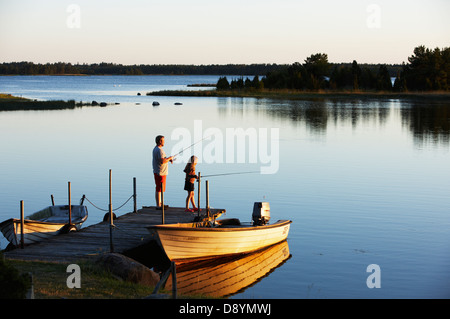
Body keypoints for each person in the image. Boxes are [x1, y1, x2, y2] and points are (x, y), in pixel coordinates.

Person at [152, 135, 173, 209]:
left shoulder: (156, 149)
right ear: (160, 141)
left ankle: (159, 204)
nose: (164, 142)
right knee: (159, 188)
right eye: (163, 140)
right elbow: (162, 161)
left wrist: (168, 159)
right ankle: (158, 205)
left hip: (158, 171)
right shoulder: (159, 150)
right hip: (160, 172)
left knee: (159, 188)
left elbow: (162, 159)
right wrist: (169, 158)